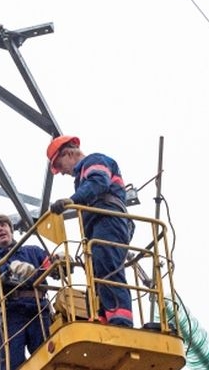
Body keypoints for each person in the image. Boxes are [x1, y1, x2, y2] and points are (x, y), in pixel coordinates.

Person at [46, 135, 134, 327]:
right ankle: (104, 317)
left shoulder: (94, 161)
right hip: (99, 224)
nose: (61, 172)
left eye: (59, 166)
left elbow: (98, 183)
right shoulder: (81, 176)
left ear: (69, 153)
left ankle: (121, 321)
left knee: (107, 269)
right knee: (97, 274)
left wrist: (73, 200)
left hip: (108, 219)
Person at [0, 212, 53, 370]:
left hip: (38, 308)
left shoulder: (34, 252)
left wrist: (60, 261)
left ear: (11, 230)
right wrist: (8, 270)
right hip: (11, 311)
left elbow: (52, 268)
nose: (0, 229)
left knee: (49, 358)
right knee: (12, 362)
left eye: (3, 225)